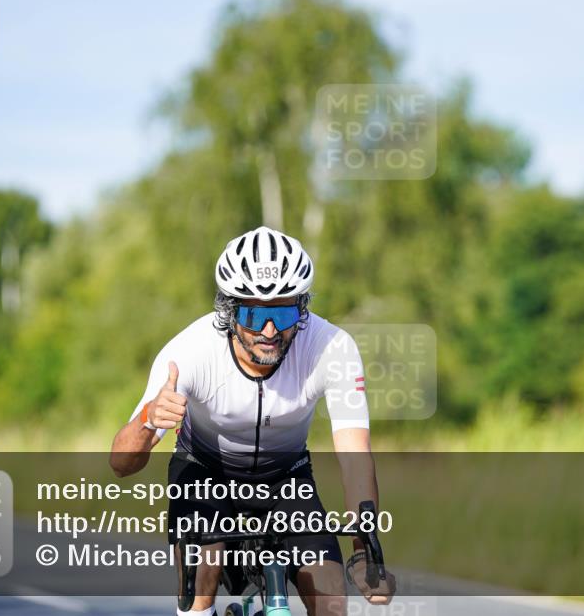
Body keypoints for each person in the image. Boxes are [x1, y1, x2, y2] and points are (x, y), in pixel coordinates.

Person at [110, 226, 395, 616]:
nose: (270, 330)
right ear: (229, 311)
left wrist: (364, 552)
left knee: (331, 597)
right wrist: (147, 420)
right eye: (254, 313)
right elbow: (121, 465)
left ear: (303, 307)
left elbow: (355, 455)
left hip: (286, 478)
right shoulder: (190, 352)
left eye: (282, 311)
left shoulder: (332, 347)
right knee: (202, 578)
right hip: (203, 473)